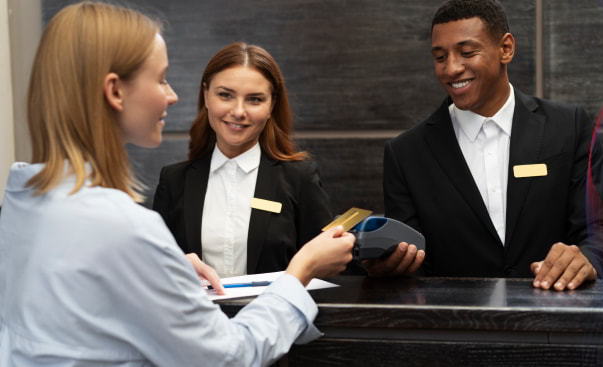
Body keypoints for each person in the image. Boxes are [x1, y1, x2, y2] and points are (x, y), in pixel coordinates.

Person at [0, 2, 354, 366]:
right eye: (161, 78)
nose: (171, 95)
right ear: (115, 91)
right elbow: (230, 357)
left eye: (254, 99)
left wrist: (162, 269)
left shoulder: (21, 198)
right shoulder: (128, 227)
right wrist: (300, 271)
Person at [366, 0, 603, 291]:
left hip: (557, 323)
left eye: (467, 52)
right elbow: (412, 266)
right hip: (455, 327)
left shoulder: (570, 127)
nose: (451, 68)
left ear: (506, 49)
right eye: (440, 57)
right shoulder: (406, 155)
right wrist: (389, 268)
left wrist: (587, 259)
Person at [153, 43, 332, 277]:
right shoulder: (174, 180)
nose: (238, 111)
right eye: (225, 95)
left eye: (254, 99)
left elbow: (329, 267)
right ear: (206, 96)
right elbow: (154, 269)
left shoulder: (300, 179)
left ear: (271, 106)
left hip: (276, 313)